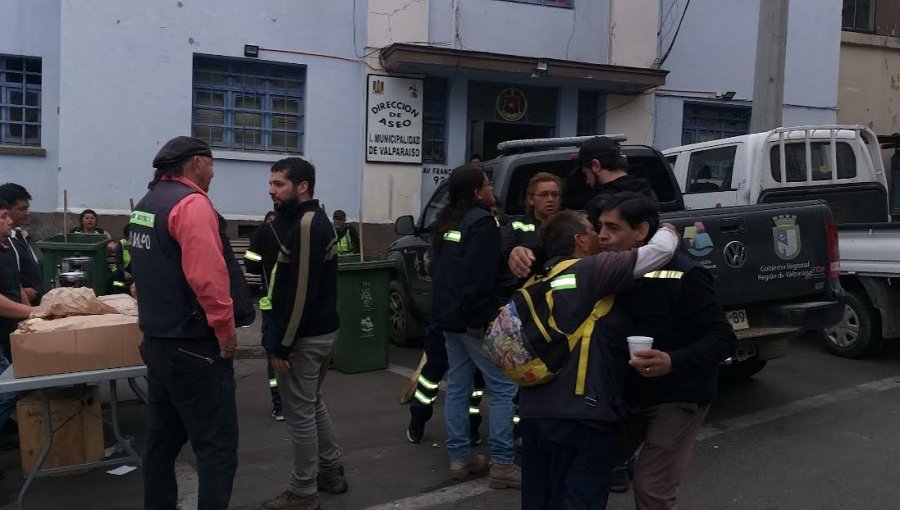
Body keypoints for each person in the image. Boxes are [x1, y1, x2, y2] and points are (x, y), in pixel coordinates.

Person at [518, 209, 679, 509]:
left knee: (540, 501)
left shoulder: (536, 282)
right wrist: (668, 226)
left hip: (534, 414)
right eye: (593, 229)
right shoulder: (591, 270)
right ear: (580, 240)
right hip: (583, 416)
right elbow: (661, 251)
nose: (600, 235)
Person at [129, 136, 254, 510]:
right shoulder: (191, 204)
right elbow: (208, 278)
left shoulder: (147, 204)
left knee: (160, 445)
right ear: (196, 163)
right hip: (194, 346)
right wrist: (226, 331)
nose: (213, 173)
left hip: (158, 342)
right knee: (217, 449)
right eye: (212, 165)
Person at [595, 192, 736, 509]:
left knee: (652, 488)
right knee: (589, 468)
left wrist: (671, 361)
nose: (602, 235)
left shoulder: (687, 274)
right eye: (599, 226)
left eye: (612, 228)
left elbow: (723, 338)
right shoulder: (610, 268)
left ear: (642, 231)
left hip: (677, 395)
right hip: (625, 395)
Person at [261, 157, 346, 510]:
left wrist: (283, 343)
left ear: (302, 186)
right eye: (271, 184)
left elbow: (301, 291)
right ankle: (330, 471)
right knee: (312, 403)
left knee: (299, 413)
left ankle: (303, 491)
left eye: (279, 184)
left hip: (304, 337)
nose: (271, 191)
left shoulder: (309, 223)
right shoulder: (301, 220)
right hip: (315, 333)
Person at [430, 163, 520, 489]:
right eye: (486, 184)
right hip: (471, 321)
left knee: (457, 385)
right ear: (476, 191)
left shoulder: (447, 222)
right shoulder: (482, 223)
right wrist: (477, 320)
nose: (490, 188)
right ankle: (503, 463)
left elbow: (443, 272)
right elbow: (478, 277)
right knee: (503, 387)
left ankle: (459, 458)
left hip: (448, 318)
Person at [508, 136, 656, 280]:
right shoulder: (649, 194)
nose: (587, 180)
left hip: (611, 278)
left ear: (596, 166)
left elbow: (571, 246)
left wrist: (530, 251)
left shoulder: (600, 205)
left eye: (586, 173)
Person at [405, 325, 486, 446]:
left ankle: (470, 425)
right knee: (431, 379)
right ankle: (418, 418)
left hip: (473, 329)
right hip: (446, 326)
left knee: (475, 382)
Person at [0, 198, 34, 478]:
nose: (10, 220)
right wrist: (33, 313)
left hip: (10, 327)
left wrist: (25, 317)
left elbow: (16, 285)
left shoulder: (8, 244)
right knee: (8, 387)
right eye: (3, 217)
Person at [244, 209, 289, 422]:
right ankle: (300, 403)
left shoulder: (262, 232)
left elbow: (251, 264)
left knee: (273, 354)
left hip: (271, 304)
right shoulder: (301, 227)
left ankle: (279, 405)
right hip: (297, 305)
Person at [0, 183, 42, 304]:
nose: (26, 213)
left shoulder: (19, 235)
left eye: (26, 208)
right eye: (21, 209)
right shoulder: (7, 241)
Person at [110, 225, 132, 293]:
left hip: (135, 270)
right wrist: (124, 272)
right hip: (121, 269)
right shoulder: (121, 243)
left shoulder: (141, 244)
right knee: (117, 279)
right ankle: (119, 292)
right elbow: (118, 263)